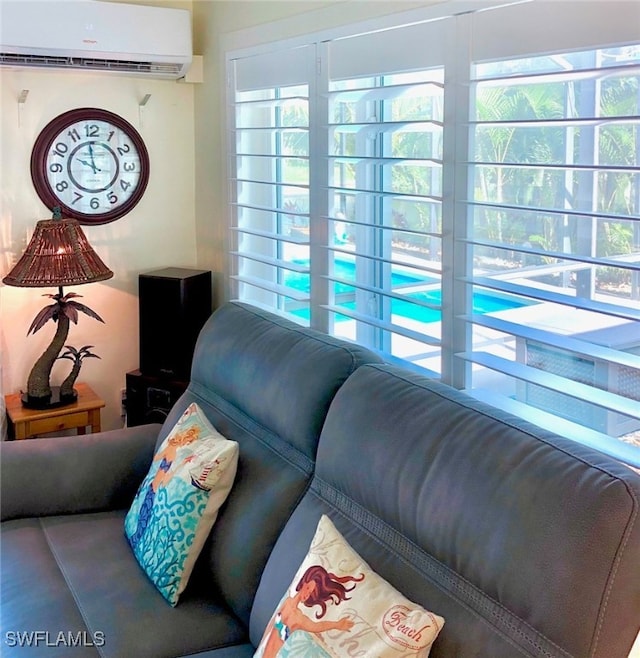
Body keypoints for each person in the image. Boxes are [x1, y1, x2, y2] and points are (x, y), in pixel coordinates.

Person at [258, 564, 364, 658]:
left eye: (311, 592)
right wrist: (262, 641)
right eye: (308, 588)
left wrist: (336, 624)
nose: (307, 594)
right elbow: (272, 624)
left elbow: (318, 626)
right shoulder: (288, 602)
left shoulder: (299, 618)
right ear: (304, 583)